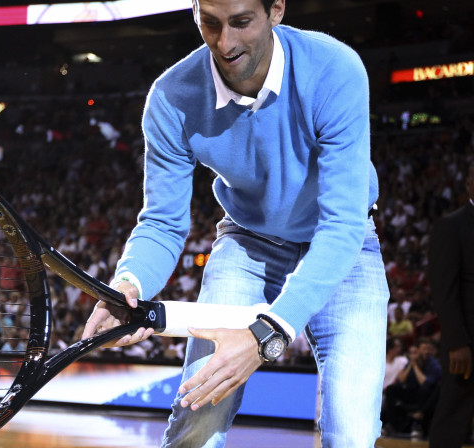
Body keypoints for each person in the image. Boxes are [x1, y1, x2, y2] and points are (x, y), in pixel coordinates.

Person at [82, 0, 389, 446]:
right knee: (201, 414)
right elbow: (162, 223)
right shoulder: (171, 97)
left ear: (276, 10)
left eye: (241, 22)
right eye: (210, 23)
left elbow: (340, 225)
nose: (225, 43)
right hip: (248, 244)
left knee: (353, 433)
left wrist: (268, 334)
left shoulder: (335, 68)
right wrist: (128, 284)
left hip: (346, 246)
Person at [428, 160, 474, 447]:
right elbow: (444, 290)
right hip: (467, 345)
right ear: (469, 182)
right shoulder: (451, 225)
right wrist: (457, 342)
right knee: (453, 420)